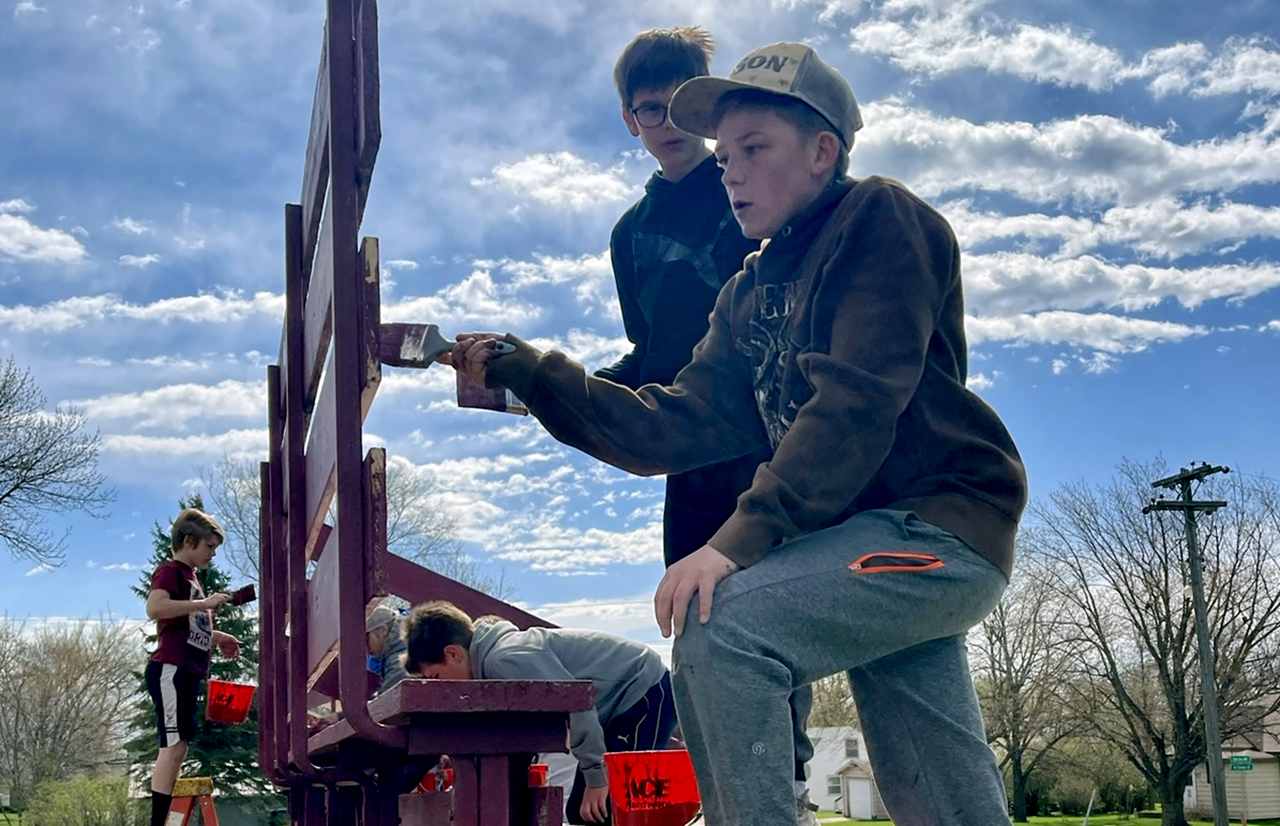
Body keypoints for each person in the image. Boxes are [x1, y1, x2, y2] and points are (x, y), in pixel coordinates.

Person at [446, 40, 1027, 826]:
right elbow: (669, 426)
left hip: (939, 523)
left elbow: (855, 404)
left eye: (755, 148)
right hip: (857, 544)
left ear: (823, 152)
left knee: (724, 627)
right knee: (936, 780)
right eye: (725, 156)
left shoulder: (878, 218)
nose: (732, 170)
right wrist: (533, 373)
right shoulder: (748, 294)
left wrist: (736, 542)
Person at [603, 27, 817, 816]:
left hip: (772, 445)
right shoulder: (630, 235)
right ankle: (725, 796)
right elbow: (649, 356)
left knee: (771, 611)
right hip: (691, 453)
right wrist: (551, 389)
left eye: (676, 105)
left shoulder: (750, 189)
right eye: (647, 110)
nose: (664, 123)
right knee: (696, 620)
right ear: (629, 119)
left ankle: (785, 791)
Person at [402, 601, 677, 825]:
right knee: (582, 814)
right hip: (614, 705)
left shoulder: (505, 659)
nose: (440, 687)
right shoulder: (490, 664)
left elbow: (575, 704)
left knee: (611, 809)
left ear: (453, 654)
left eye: (436, 676)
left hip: (643, 691)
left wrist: (596, 774)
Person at [144, 508, 240, 826]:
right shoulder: (171, 571)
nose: (212, 554)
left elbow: (188, 627)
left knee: (181, 745)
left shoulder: (192, 579)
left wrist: (219, 637)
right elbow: (155, 607)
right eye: (209, 547)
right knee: (172, 744)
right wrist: (203, 603)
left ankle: (167, 815)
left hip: (188, 672)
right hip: (170, 669)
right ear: (188, 541)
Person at [365, 602, 409, 694]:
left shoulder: (399, 659)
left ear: (383, 630)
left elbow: (388, 700)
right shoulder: (397, 651)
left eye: (366, 639)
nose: (365, 648)